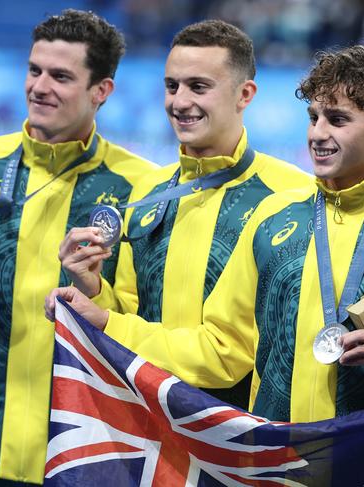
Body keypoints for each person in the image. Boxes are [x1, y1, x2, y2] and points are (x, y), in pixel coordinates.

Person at [48, 45, 364, 422]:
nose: (317, 133)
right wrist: (104, 319)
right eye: (313, 118)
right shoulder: (274, 216)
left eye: (338, 120)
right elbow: (223, 349)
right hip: (271, 461)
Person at [56, 20, 311, 409]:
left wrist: (109, 323)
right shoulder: (148, 192)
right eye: (172, 86)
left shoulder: (292, 195)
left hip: (239, 434)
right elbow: (126, 311)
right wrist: (91, 288)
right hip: (150, 426)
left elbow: (236, 354)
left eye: (198, 86)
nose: (179, 101)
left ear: (244, 94)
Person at [0, 10, 156, 486]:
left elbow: (141, 317)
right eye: (34, 70)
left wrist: (93, 289)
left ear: (101, 91)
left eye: (61, 76)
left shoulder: (139, 186)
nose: (39, 87)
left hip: (83, 446)